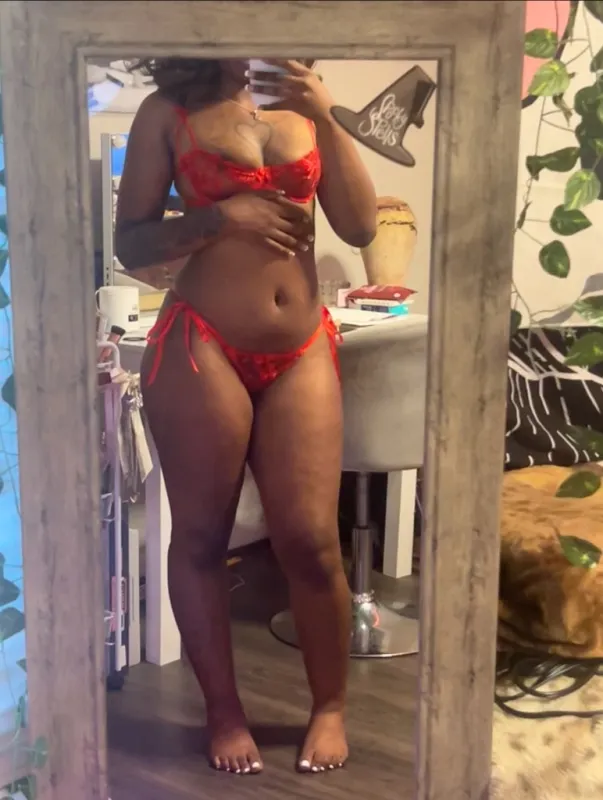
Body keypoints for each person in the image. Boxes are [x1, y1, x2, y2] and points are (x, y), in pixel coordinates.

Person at [115, 57, 377, 776]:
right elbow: (130, 242)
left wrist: (327, 116)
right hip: (202, 339)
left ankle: (330, 706)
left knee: (312, 542)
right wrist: (218, 217)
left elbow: (359, 226)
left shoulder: (307, 103)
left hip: (301, 345)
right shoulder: (167, 109)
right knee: (203, 537)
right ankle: (224, 714)